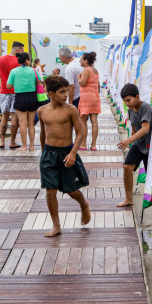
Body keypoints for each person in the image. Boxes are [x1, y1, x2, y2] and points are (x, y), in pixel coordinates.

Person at [37, 75, 91, 237]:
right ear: (51, 94)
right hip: (48, 154)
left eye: (66, 91)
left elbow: (80, 132)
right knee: (50, 190)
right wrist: (43, 153)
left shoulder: (71, 110)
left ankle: (83, 204)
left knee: (71, 190)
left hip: (67, 152)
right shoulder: (42, 111)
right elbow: (43, 133)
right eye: (62, 92)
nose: (66, 94)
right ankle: (56, 225)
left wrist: (73, 152)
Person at [116, 83, 152, 208]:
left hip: (150, 146)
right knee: (127, 167)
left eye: (128, 100)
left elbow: (145, 128)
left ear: (137, 97)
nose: (127, 104)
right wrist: (132, 144)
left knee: (150, 175)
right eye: (124, 101)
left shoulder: (146, 108)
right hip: (138, 144)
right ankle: (128, 198)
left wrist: (129, 140)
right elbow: (134, 128)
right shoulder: (131, 110)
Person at [7, 52, 42, 152]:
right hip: (32, 97)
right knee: (31, 123)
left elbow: (8, 86)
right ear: (26, 60)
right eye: (30, 59)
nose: (31, 61)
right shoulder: (33, 70)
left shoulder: (13, 71)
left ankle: (24, 146)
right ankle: (32, 146)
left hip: (20, 97)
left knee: (22, 124)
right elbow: (38, 82)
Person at [0, 42, 24, 148]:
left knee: (4, 116)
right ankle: (12, 142)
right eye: (22, 50)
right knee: (14, 116)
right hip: (16, 91)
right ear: (18, 50)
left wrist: (4, 77)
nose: (22, 53)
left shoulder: (0, 59)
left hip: (4, 91)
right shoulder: (19, 61)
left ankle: (1, 141)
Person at [78, 52, 101, 151]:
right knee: (94, 121)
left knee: (83, 121)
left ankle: (83, 144)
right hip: (95, 97)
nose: (80, 61)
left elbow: (82, 83)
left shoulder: (86, 70)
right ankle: (93, 145)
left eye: (81, 59)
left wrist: (79, 78)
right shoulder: (95, 70)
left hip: (86, 97)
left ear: (86, 61)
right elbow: (98, 85)